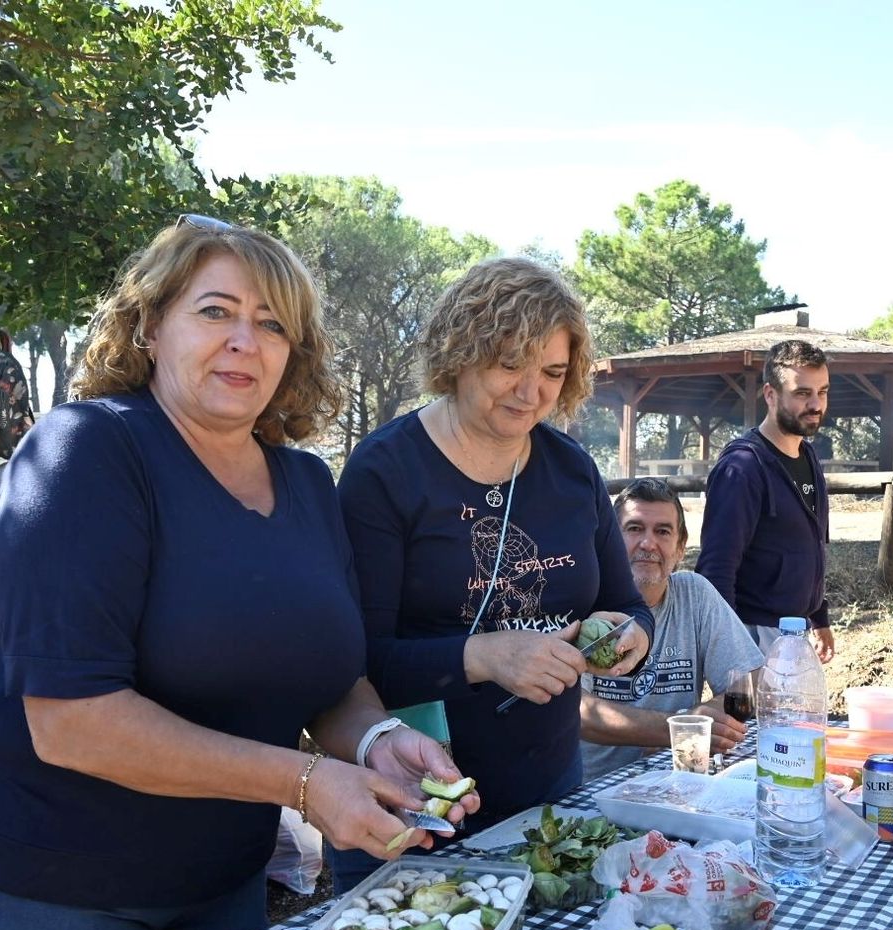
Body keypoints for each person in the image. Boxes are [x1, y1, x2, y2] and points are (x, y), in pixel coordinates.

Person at [0, 216, 476, 930]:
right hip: (45, 870)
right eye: (216, 311)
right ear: (149, 325)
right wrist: (309, 781)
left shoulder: (307, 483)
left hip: (218, 875)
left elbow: (327, 674)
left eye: (273, 323)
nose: (246, 340)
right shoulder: (84, 451)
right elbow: (72, 721)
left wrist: (380, 740)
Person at [337, 257, 652, 884]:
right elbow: (352, 662)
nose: (531, 392)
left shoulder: (571, 470)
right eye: (509, 364)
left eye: (553, 373)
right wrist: (482, 657)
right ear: (460, 354)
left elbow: (628, 604)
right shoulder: (385, 472)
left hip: (548, 793)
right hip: (414, 800)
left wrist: (629, 638)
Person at [579, 478, 764, 781]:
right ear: (607, 542)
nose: (648, 544)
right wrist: (675, 730)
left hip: (676, 783)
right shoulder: (584, 601)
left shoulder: (695, 593)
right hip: (593, 796)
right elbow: (579, 714)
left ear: (680, 549)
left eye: (663, 532)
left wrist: (706, 716)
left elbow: (752, 680)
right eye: (634, 528)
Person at [695, 339, 833, 661]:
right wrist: (733, 651)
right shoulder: (742, 469)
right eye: (802, 393)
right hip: (753, 635)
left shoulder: (807, 455)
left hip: (794, 633)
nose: (815, 404)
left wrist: (819, 616)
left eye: (822, 391)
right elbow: (717, 568)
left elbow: (809, 543)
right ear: (770, 395)